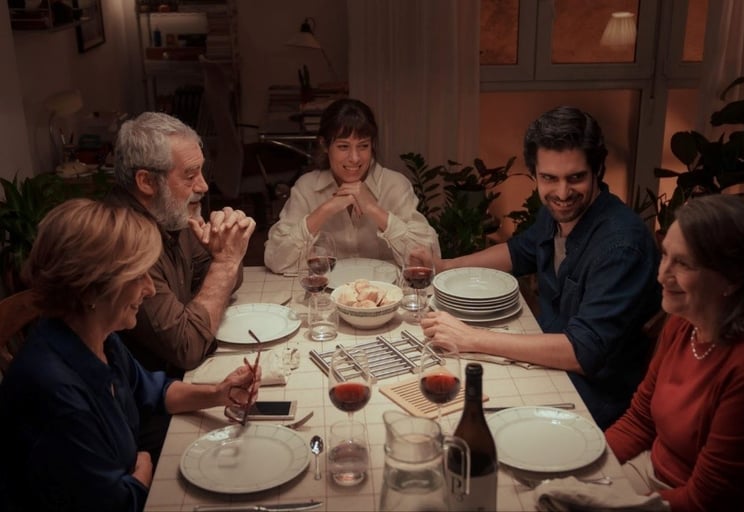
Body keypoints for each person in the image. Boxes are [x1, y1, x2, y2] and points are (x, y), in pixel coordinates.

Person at [0, 199, 261, 512]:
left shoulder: (96, 335)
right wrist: (143, 469)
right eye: (138, 276)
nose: (150, 290)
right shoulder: (57, 393)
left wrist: (218, 393)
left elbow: (152, 391)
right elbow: (120, 505)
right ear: (91, 289)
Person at [420, 106, 661, 429]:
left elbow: (583, 353)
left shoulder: (622, 247)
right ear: (534, 173)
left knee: (467, 422)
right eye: (549, 178)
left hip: (594, 396)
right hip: (549, 364)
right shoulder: (558, 212)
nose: (562, 193)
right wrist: (444, 266)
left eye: (575, 177)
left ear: (598, 170)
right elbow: (521, 251)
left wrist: (471, 338)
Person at [605, 194, 744, 511]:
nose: (661, 275)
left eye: (683, 263)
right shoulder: (683, 321)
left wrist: (611, 504)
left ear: (732, 279)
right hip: (652, 471)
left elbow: (706, 499)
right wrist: (586, 464)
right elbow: (640, 421)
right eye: (665, 255)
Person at [107, 111, 256, 376]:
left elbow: (229, 280)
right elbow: (187, 348)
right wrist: (224, 263)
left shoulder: (168, 211)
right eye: (190, 175)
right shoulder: (124, 241)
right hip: (149, 391)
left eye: (201, 171)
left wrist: (225, 252)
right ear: (146, 181)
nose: (204, 186)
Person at [264, 98, 438, 273]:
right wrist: (326, 209)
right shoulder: (306, 187)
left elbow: (429, 258)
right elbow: (277, 261)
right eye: (343, 146)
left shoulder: (395, 184)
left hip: (385, 288)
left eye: (363, 146)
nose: (354, 158)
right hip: (328, 287)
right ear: (324, 145)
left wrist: (373, 209)